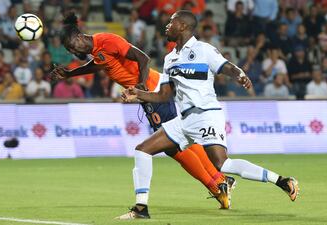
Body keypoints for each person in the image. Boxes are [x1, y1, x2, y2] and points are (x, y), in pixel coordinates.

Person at [121, 10, 299, 219]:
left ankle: (283, 181)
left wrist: (240, 75)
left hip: (206, 115)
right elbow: (164, 95)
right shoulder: (170, 58)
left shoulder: (203, 50)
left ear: (184, 26)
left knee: (223, 164)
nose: (167, 25)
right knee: (143, 150)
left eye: (172, 22)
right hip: (185, 120)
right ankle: (141, 209)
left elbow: (227, 67)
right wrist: (138, 95)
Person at [50, 13, 234, 214]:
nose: (73, 51)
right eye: (69, 50)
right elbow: (97, 65)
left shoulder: (107, 40)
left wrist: (141, 86)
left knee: (174, 146)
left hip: (153, 88)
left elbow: (143, 59)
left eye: (72, 45)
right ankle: (220, 180)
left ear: (79, 36)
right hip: (149, 93)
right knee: (179, 142)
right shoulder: (98, 51)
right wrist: (70, 73)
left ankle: (217, 184)